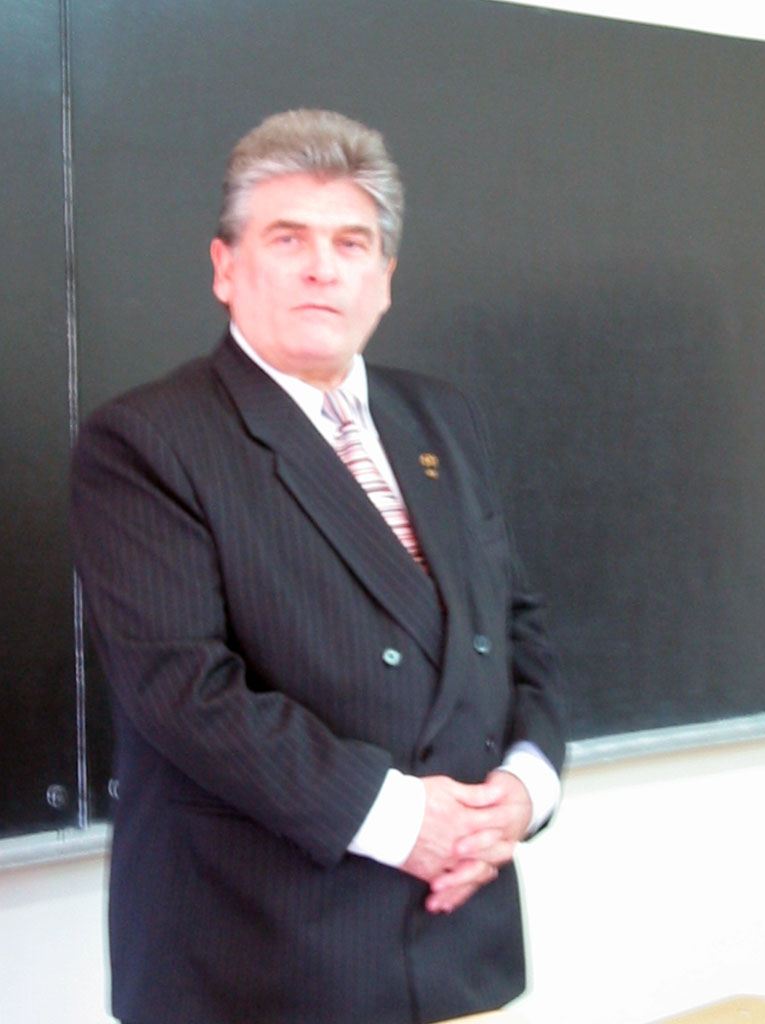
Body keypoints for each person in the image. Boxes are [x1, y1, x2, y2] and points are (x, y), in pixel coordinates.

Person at [71, 109, 566, 1024]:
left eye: (352, 243)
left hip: (458, 932)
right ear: (225, 267)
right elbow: (183, 690)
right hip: (260, 956)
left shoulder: (443, 418)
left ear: (385, 278)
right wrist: (407, 823)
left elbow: (513, 626)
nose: (322, 268)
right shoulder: (146, 440)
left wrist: (523, 790)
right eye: (287, 238)